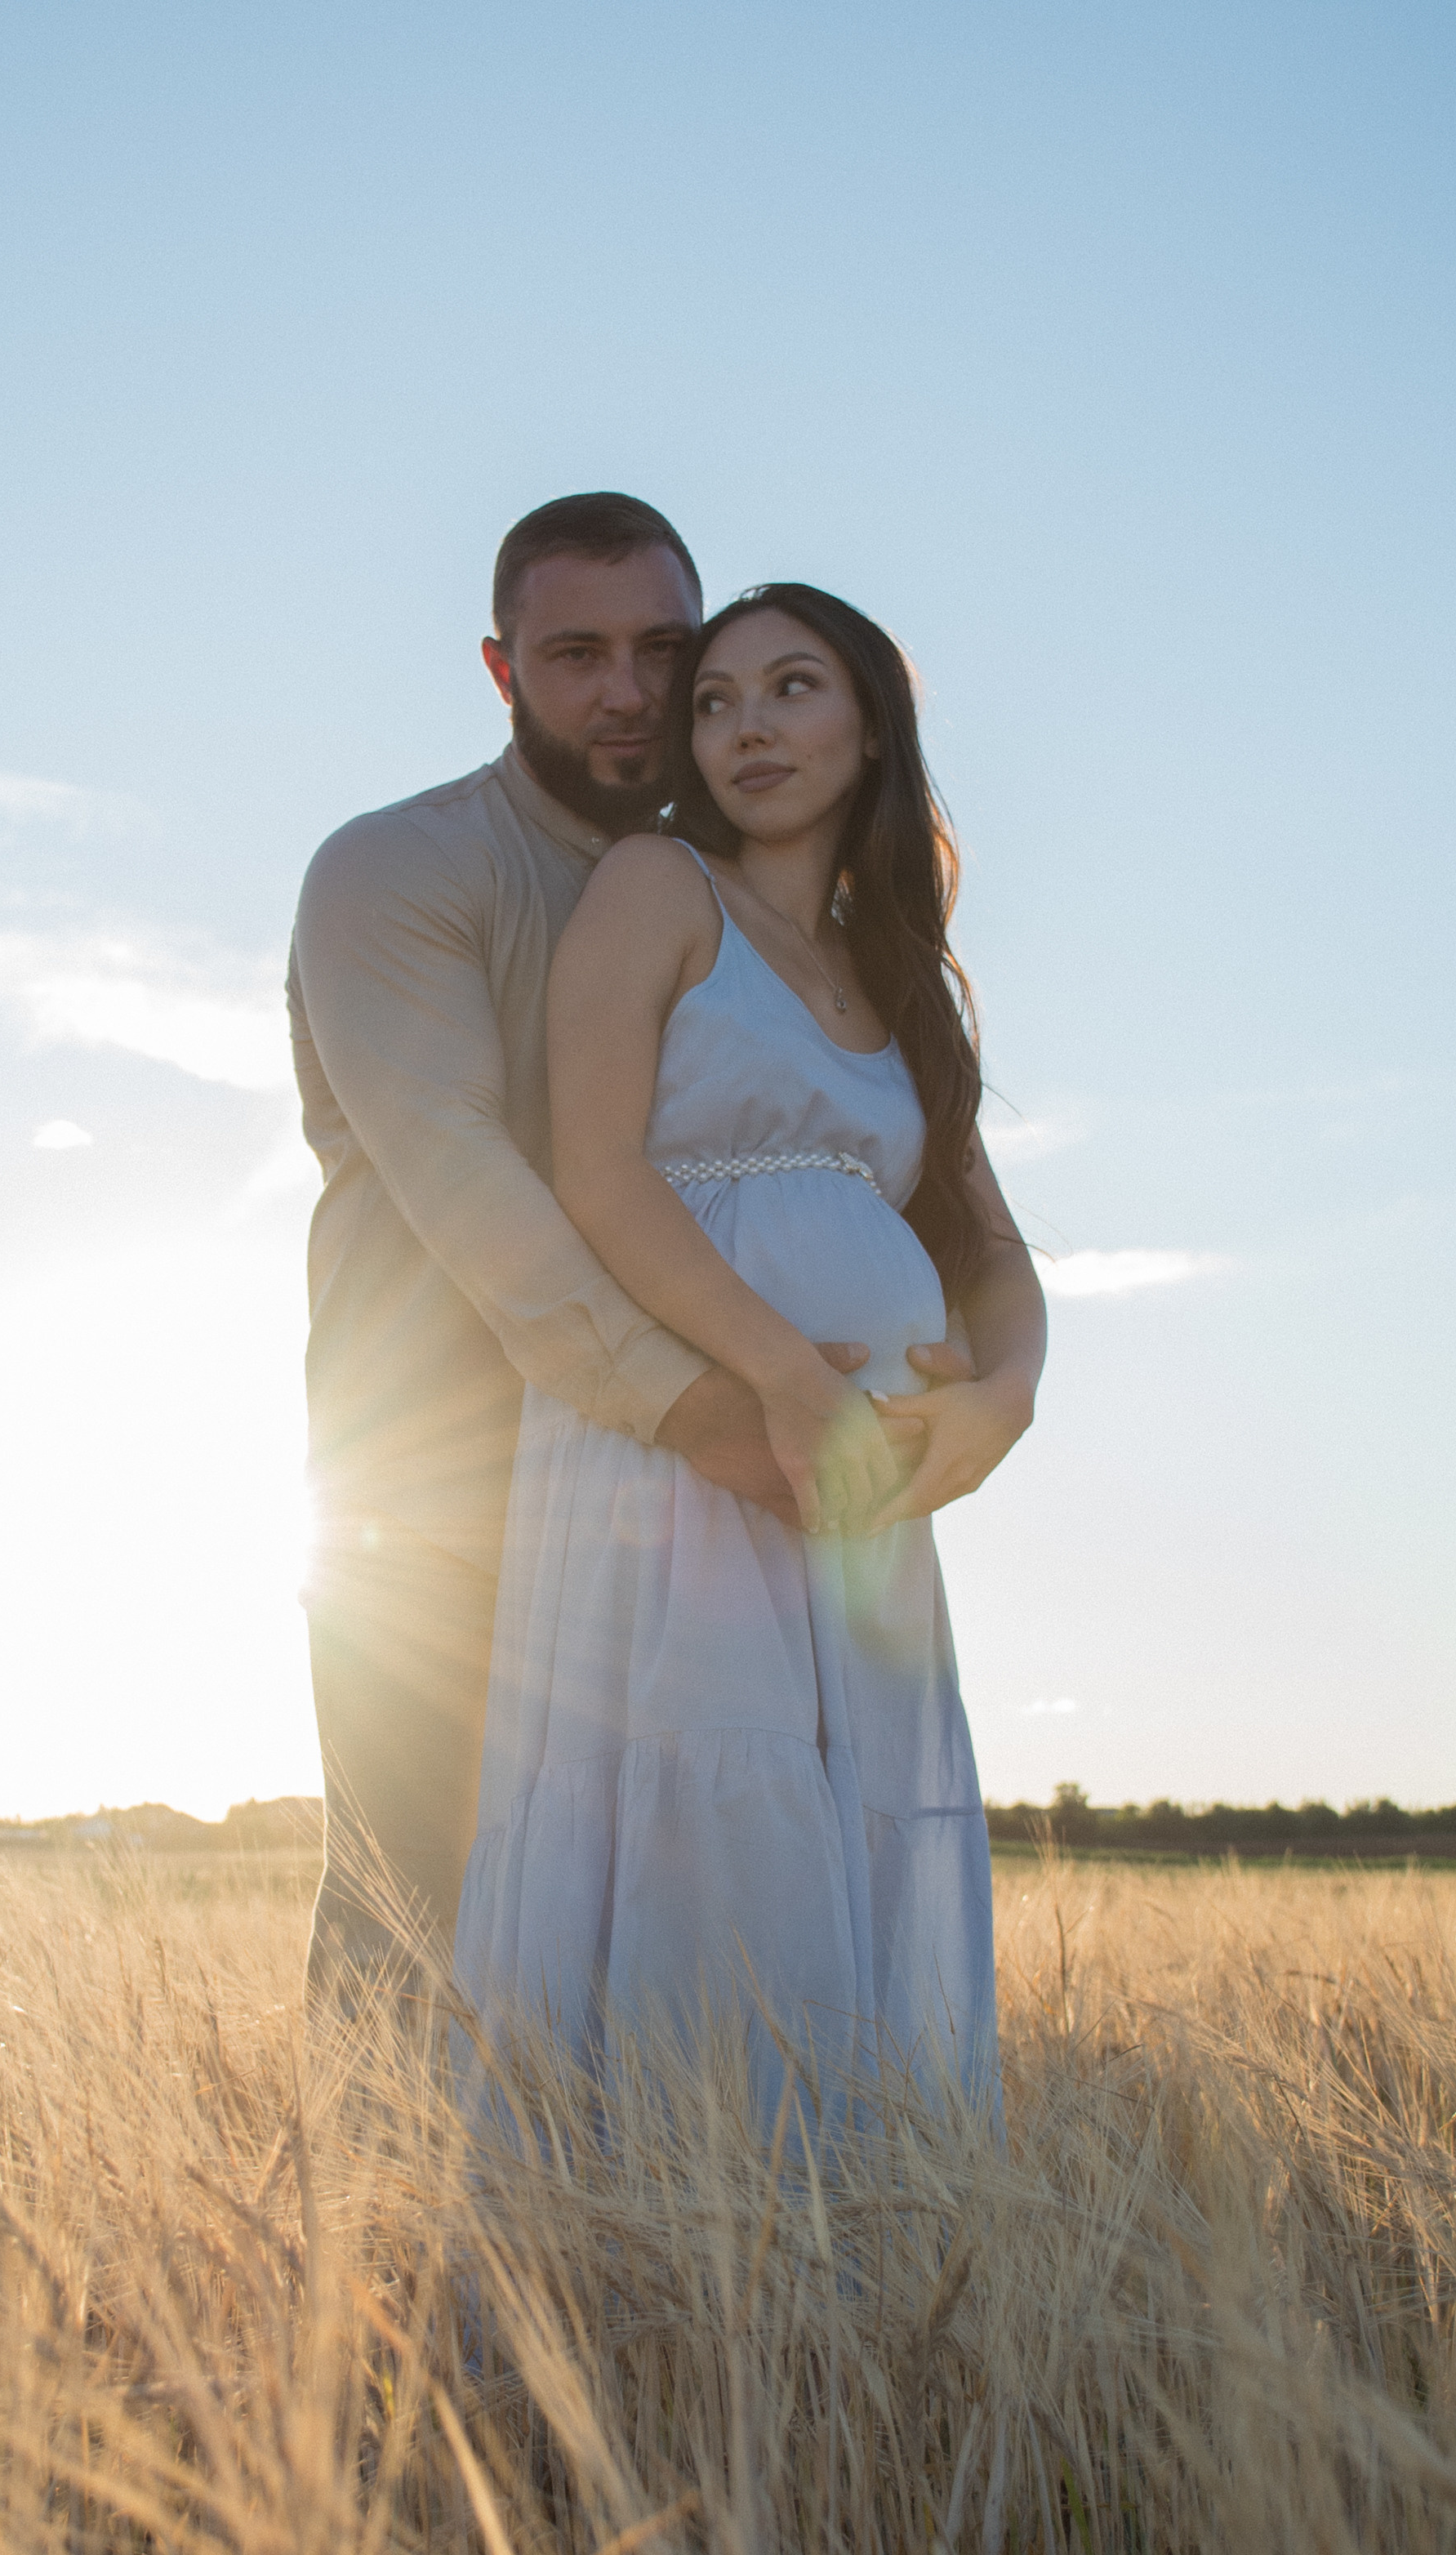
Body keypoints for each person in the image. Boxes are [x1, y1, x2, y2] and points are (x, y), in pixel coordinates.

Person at [287, 502, 967, 1986]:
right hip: (442, 1477)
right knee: (425, 1917)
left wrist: (950, 1391)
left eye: (666, 650)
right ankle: (389, 2224)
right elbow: (472, 1187)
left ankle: (699, 2220)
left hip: (714, 1487)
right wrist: (714, 1415)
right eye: (575, 654)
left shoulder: (756, 900)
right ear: (500, 668)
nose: (629, 693)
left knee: (691, 1918)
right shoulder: (396, 874)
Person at [453, 585, 1045, 2120]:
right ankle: (668, 2268)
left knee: (847, 1815)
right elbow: (597, 1174)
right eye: (715, 702)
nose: (745, 727)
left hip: (862, 1488)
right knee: (710, 1803)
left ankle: (847, 2287)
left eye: (791, 689)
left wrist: (1002, 1399)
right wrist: (787, 1384)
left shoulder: (898, 970)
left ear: (871, 725)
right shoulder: (659, 886)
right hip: (694, 1438)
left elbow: (991, 1249)